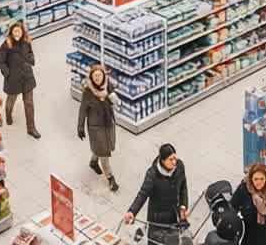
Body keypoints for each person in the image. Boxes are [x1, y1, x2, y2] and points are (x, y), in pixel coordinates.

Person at [124, 144, 189, 242]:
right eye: (170, 159)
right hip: (157, 217)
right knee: (154, 241)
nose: (174, 162)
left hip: (173, 214)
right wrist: (132, 211)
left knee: (173, 240)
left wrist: (184, 205)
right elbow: (142, 194)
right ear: (163, 160)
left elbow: (183, 186)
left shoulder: (179, 166)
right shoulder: (152, 174)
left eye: (175, 158)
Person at [77, 64, 119, 192]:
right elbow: (83, 110)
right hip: (95, 126)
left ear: (103, 75)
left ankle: (93, 162)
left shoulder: (108, 85)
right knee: (104, 153)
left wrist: (113, 99)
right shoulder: (88, 92)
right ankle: (111, 179)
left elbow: (115, 101)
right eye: (94, 76)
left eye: (99, 75)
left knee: (102, 147)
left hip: (108, 122)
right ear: (91, 77)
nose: (97, 78)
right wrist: (80, 127)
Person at [0, 21, 41, 138]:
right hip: (13, 78)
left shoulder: (26, 42)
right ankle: (8, 114)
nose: (17, 32)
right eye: (15, 30)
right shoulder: (6, 45)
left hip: (27, 76)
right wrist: (7, 74)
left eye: (19, 30)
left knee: (29, 103)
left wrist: (30, 59)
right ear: (11, 32)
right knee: (10, 102)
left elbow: (31, 53)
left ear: (22, 32)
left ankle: (31, 129)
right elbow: (1, 62)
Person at [231, 163, 266, 245]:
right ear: (251, 179)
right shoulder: (243, 189)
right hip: (250, 233)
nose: (259, 182)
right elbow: (232, 207)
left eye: (262, 179)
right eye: (256, 179)